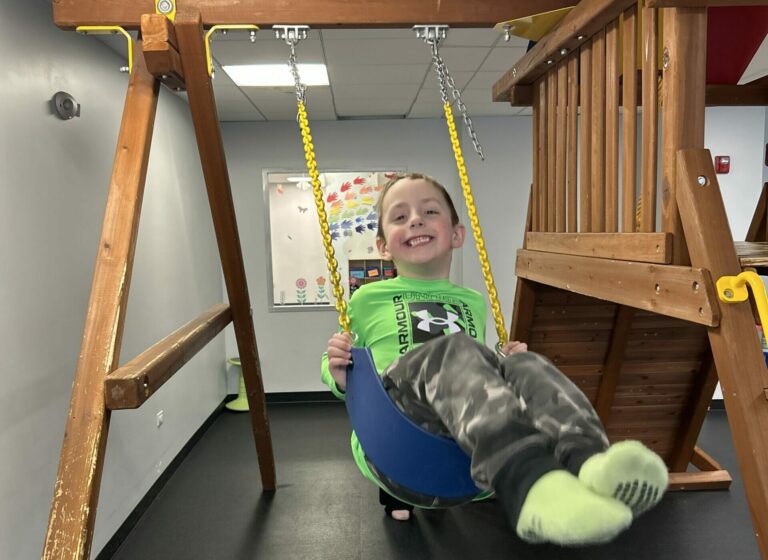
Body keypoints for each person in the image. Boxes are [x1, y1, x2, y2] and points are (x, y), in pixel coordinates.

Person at [321, 173, 668, 546]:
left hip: (460, 451)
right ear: (383, 246)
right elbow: (341, 364)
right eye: (400, 217)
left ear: (457, 235)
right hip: (396, 436)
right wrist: (337, 372)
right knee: (450, 348)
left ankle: (588, 463)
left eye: (429, 211)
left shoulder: (472, 300)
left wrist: (505, 367)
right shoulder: (367, 299)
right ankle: (527, 482)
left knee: (526, 364)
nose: (415, 221)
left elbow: (470, 371)